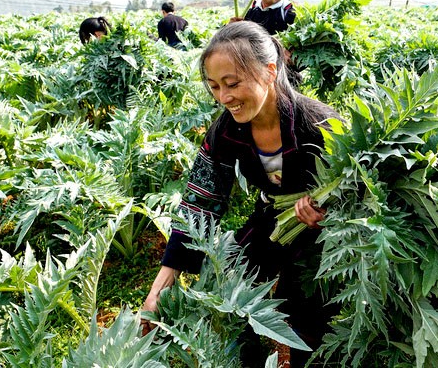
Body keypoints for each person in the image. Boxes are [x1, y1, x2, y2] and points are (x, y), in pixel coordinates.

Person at [141, 21, 339, 367]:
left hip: (322, 237)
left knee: (310, 318)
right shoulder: (227, 130)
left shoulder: (320, 125)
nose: (224, 97)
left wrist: (330, 214)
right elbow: (200, 202)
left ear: (270, 71)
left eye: (232, 84)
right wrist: (160, 288)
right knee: (229, 288)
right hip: (271, 218)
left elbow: (361, 191)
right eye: (215, 86)